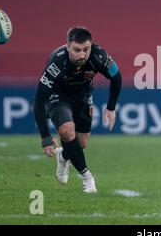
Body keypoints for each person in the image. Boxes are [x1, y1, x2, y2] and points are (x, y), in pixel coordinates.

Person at [33, 27, 122, 193]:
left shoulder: (99, 55)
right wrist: (45, 137)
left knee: (81, 143)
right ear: (68, 48)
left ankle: (63, 156)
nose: (82, 55)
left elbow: (116, 77)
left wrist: (111, 107)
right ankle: (87, 177)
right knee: (67, 131)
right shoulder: (56, 63)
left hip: (83, 96)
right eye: (77, 50)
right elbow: (39, 101)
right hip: (58, 97)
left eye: (86, 49)